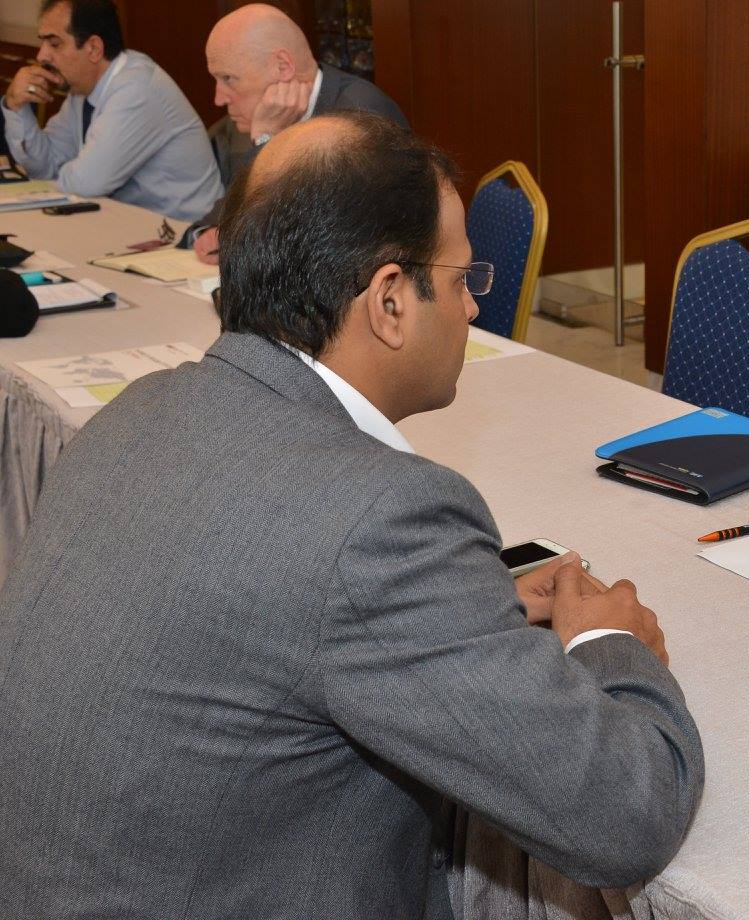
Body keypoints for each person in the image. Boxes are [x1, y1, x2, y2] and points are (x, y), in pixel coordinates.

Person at [0, 111, 704, 918]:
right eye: (463, 280)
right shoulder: (381, 518)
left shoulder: (143, 407)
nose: (474, 311)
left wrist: (470, 611)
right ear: (390, 301)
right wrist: (608, 644)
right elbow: (625, 816)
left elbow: (269, 606)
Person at [186, 2, 409, 264]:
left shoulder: (360, 117)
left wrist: (267, 142)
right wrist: (207, 234)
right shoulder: (249, 122)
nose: (218, 98)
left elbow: (321, 243)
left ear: (283, 67)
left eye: (228, 79)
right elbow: (223, 218)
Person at [1, 0, 221, 222]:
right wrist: (16, 106)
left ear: (94, 49)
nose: (42, 56)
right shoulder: (82, 90)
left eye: (54, 44)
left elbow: (86, 183)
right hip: (131, 223)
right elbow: (46, 166)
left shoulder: (137, 89)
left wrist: (60, 176)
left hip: (185, 231)